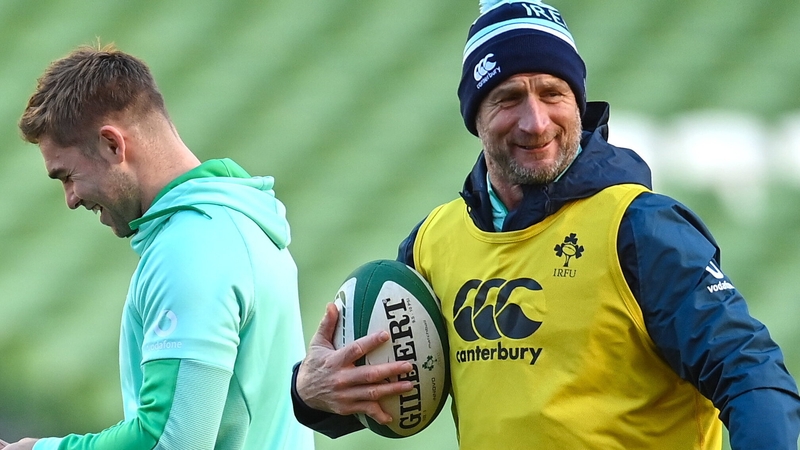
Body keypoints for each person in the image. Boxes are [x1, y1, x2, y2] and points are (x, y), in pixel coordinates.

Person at [289, 0, 800, 448]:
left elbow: (751, 374)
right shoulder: (433, 243)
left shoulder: (639, 227)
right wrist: (310, 393)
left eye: (552, 93)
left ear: (577, 101)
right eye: (508, 98)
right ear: (476, 116)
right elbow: (382, 375)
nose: (536, 122)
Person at [9, 44, 315, 450]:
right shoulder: (239, 220)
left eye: (66, 175)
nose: (70, 198)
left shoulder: (192, 249)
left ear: (112, 145)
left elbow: (172, 440)